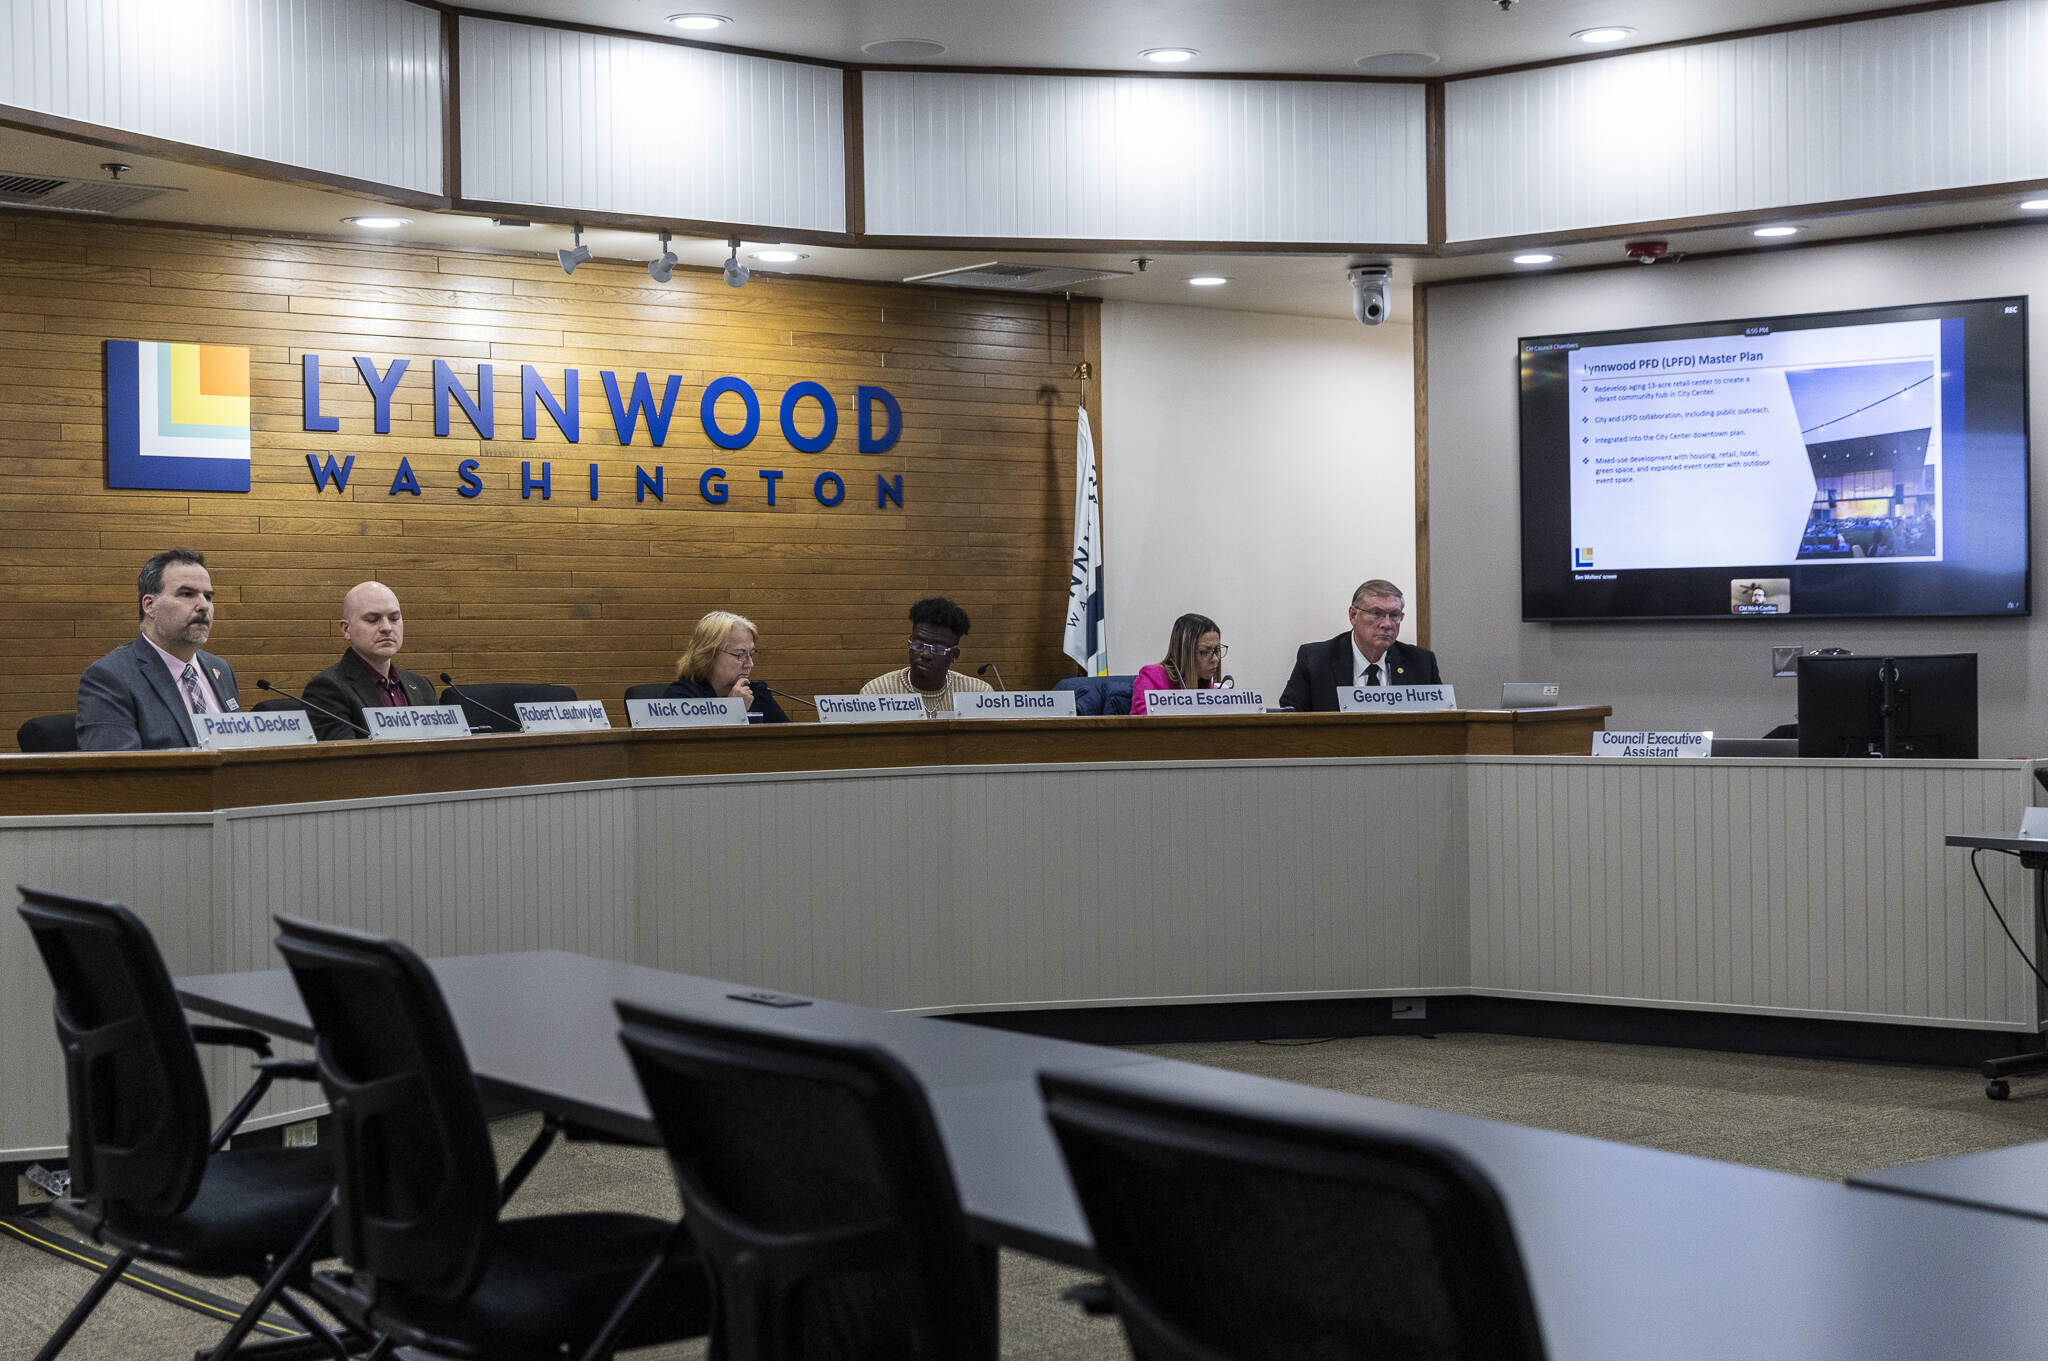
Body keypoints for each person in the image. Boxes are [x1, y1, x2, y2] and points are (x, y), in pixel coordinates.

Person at [77, 547, 243, 750]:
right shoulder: (110, 677)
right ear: (149, 605)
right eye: (187, 594)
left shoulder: (220, 669)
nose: (203, 606)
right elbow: (115, 774)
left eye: (208, 597)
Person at [1278, 578, 1443, 712]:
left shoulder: (1421, 662)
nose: (1387, 624)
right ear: (1353, 615)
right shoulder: (1316, 659)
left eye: (1394, 615)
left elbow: (1441, 722)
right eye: (1376, 613)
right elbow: (1291, 718)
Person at [301, 581, 440, 740]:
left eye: (394, 618)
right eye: (373, 619)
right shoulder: (327, 689)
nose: (387, 627)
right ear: (347, 629)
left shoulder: (422, 686)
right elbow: (347, 761)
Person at [859, 597, 992, 716]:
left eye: (938, 649)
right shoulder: (877, 693)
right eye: (919, 644)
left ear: (954, 655)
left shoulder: (978, 694)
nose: (925, 654)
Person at [665, 611, 789, 722]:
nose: (750, 664)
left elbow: (791, 742)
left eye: (751, 654)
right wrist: (733, 710)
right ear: (710, 654)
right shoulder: (682, 697)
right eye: (740, 654)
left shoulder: (758, 694)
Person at [1130, 613, 1226, 716]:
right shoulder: (1151, 678)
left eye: (1217, 650)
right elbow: (1153, 727)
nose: (1215, 659)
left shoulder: (1210, 689)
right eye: (1204, 652)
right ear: (1184, 652)